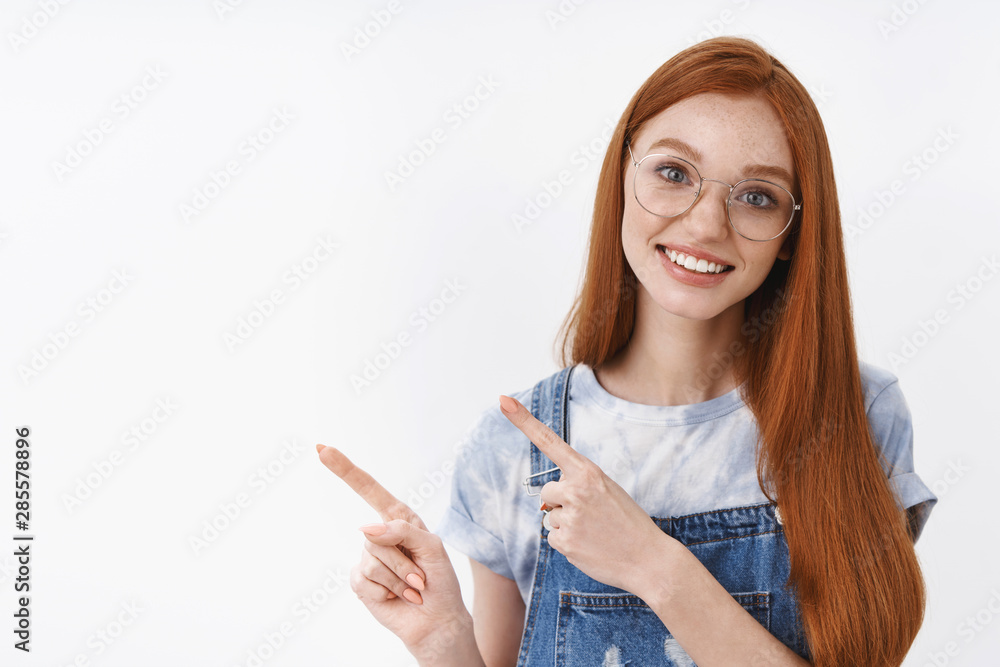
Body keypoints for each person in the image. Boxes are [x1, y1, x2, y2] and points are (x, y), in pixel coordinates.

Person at [317, 36, 937, 667]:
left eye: (757, 196)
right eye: (674, 173)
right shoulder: (509, 448)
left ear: (792, 234)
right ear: (621, 175)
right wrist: (442, 637)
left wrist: (655, 566)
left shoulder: (855, 415)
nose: (705, 225)